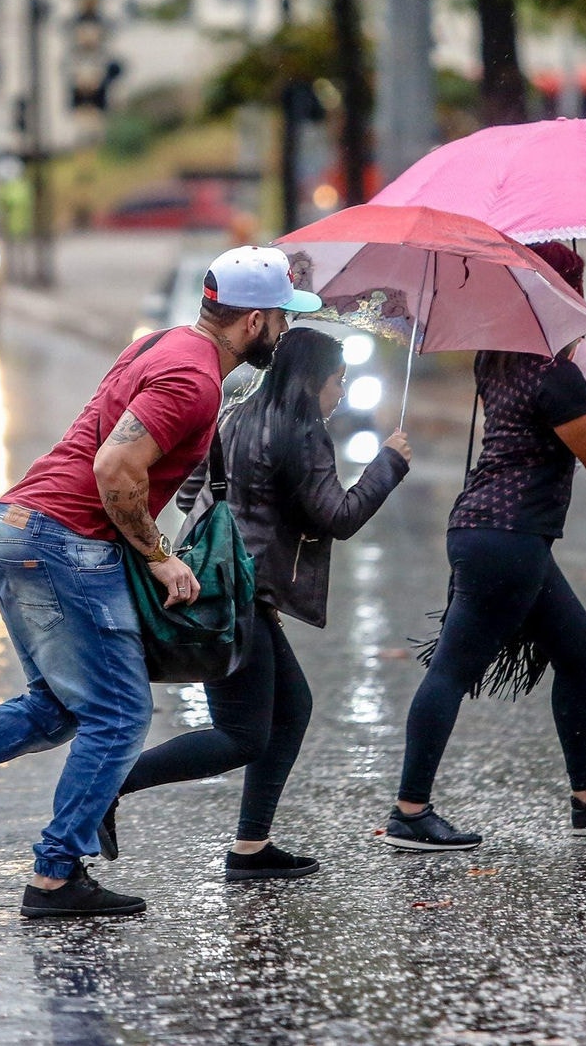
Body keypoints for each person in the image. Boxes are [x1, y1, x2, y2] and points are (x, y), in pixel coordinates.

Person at [0, 245, 321, 919]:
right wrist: (160, 552)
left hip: (24, 528)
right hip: (62, 541)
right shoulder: (193, 378)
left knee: (60, 707)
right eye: (282, 316)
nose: (286, 330)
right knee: (121, 711)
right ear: (253, 320)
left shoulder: (167, 348)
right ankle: (55, 874)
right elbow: (113, 469)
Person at [381, 241, 586, 852]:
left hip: (490, 530)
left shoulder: (498, 356)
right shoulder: (553, 376)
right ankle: (409, 810)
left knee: (580, 650)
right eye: (575, 290)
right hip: (508, 537)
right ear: (563, 295)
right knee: (452, 669)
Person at [110, 327, 409, 881]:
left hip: (230, 584)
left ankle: (251, 848)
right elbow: (337, 517)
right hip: (242, 596)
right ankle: (109, 783)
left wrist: (249, 511)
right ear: (311, 380)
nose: (341, 392)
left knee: (291, 709)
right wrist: (387, 463)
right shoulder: (302, 430)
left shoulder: (233, 417)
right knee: (241, 735)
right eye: (337, 380)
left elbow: (188, 491)